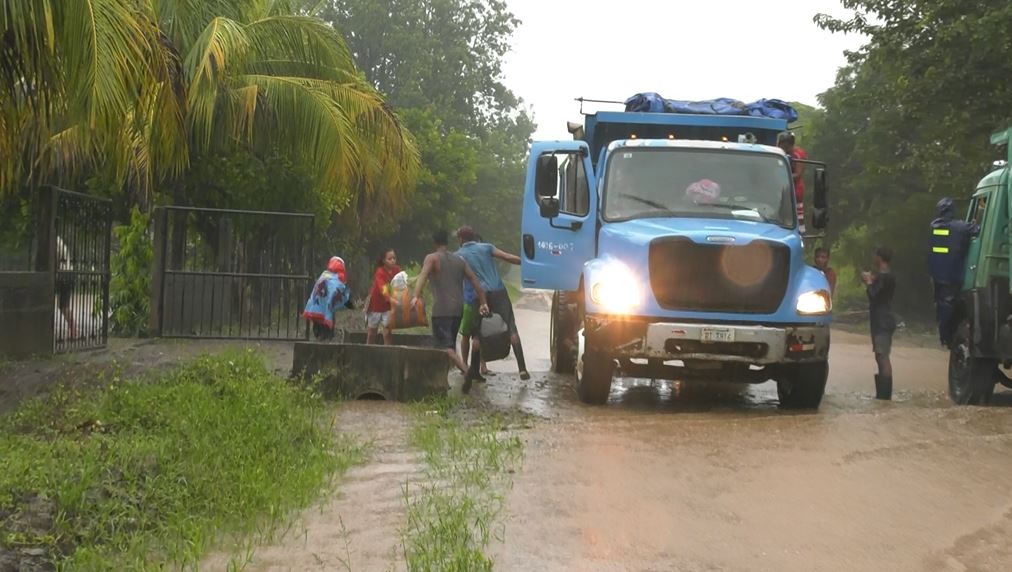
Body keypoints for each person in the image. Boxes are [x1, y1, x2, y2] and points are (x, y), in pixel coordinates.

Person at [411, 230, 489, 387]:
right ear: (447, 242)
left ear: (434, 243)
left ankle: (467, 372)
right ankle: (443, 382)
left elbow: (423, 276)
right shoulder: (459, 260)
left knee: (445, 348)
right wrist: (483, 302)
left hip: (442, 310)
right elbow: (475, 280)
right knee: (450, 346)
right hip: (457, 310)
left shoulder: (432, 258)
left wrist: (415, 296)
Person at [455, 226, 530, 389]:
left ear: (461, 239)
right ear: (474, 237)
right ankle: (522, 368)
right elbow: (507, 257)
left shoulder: (458, 255)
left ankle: (474, 370)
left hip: (478, 295)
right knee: (511, 327)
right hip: (498, 291)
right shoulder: (487, 247)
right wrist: (525, 262)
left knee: (476, 333)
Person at [928, 197, 977, 347]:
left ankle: (944, 336)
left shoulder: (934, 226)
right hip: (953, 275)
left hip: (937, 275)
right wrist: (973, 225)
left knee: (942, 305)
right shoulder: (960, 227)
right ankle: (949, 337)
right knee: (951, 305)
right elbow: (977, 231)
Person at [862, 247, 897, 400]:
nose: (873, 258)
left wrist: (869, 282)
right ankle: (883, 395)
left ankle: (884, 395)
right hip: (883, 320)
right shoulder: (887, 276)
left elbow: (874, 296)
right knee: (880, 355)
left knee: (882, 356)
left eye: (875, 255)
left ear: (880, 258)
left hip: (882, 321)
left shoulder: (884, 277)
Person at [303, 256, 353, 341]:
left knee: (318, 325)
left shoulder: (324, 274)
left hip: (316, 305)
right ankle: (327, 338)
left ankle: (320, 337)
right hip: (327, 306)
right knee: (327, 322)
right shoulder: (338, 277)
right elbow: (339, 292)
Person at [460, 234, 489, 377]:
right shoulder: (463, 258)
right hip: (470, 300)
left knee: (481, 334)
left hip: (482, 301)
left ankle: (482, 365)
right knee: (466, 334)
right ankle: (465, 365)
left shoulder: (483, 260)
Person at [366, 247, 400, 345]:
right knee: (372, 332)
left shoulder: (397, 270)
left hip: (388, 306)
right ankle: (368, 350)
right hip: (376, 305)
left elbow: (402, 283)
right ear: (384, 261)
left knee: (388, 332)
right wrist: (390, 299)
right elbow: (383, 288)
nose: (393, 261)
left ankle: (387, 352)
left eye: (394, 258)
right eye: (390, 259)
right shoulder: (380, 272)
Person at [777, 132, 808, 232]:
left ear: (791, 145)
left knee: (797, 210)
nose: (785, 151)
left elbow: (798, 174)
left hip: (795, 188)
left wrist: (784, 177)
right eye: (782, 148)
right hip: (780, 188)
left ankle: (801, 230)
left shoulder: (798, 154)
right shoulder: (778, 153)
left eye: (786, 148)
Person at [55, 236, 78, 339]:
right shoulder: (59, 240)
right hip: (66, 273)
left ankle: (73, 330)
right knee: (64, 305)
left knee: (64, 306)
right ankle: (73, 330)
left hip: (62, 274)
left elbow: (56, 258)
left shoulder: (54, 240)